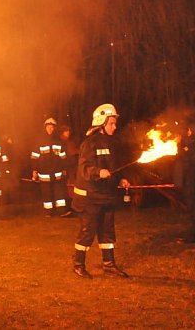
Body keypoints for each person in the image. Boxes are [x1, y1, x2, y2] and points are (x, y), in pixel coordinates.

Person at [71, 103, 131, 279]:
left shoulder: (113, 143)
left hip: (107, 197)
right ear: (101, 123)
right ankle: (78, 264)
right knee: (87, 232)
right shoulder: (89, 144)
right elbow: (84, 169)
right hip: (89, 197)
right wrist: (98, 172)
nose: (115, 126)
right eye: (111, 123)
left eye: (114, 123)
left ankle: (109, 264)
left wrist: (121, 178)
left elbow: (114, 167)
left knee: (107, 232)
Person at [30, 117, 73, 217]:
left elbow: (63, 157)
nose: (50, 129)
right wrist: (34, 170)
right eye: (49, 127)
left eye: (52, 127)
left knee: (60, 193)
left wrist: (65, 169)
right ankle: (48, 212)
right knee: (46, 193)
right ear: (45, 128)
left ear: (54, 128)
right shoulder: (39, 142)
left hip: (57, 173)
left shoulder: (59, 141)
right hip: (44, 173)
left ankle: (62, 211)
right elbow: (34, 157)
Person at [174, 124, 195, 244]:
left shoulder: (190, 144)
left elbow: (186, 160)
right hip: (188, 180)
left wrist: (180, 147)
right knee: (192, 207)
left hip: (191, 181)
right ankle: (194, 233)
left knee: (194, 206)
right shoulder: (188, 144)